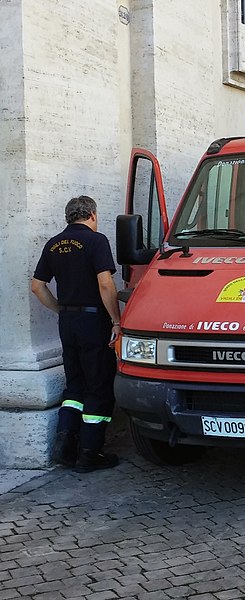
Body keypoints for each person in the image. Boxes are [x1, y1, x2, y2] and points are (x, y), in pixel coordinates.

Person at [31, 195, 121, 473]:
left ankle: (64, 445)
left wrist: (61, 310)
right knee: (98, 385)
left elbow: (37, 286)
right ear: (92, 215)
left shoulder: (53, 244)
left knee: (75, 386)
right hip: (94, 322)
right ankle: (90, 453)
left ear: (68, 216)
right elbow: (105, 284)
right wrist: (117, 320)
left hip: (68, 322)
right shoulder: (97, 240)